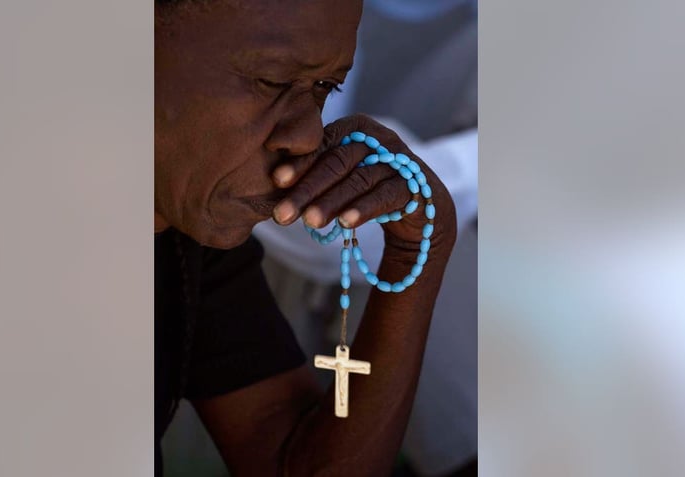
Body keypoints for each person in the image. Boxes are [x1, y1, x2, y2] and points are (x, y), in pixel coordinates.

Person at [155, 1, 458, 475]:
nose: (307, 136)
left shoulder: (186, 243)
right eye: (272, 82)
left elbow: (300, 466)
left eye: (324, 88)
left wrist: (418, 251)